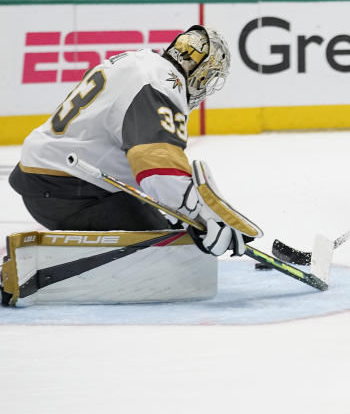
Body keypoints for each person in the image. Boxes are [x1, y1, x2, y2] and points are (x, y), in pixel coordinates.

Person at [6, 26, 258, 284]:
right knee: (177, 257)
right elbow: (159, 170)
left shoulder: (141, 61)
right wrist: (200, 218)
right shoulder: (161, 85)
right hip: (68, 192)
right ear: (199, 74)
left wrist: (189, 215)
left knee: (175, 229)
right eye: (208, 77)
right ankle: (37, 275)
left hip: (52, 177)